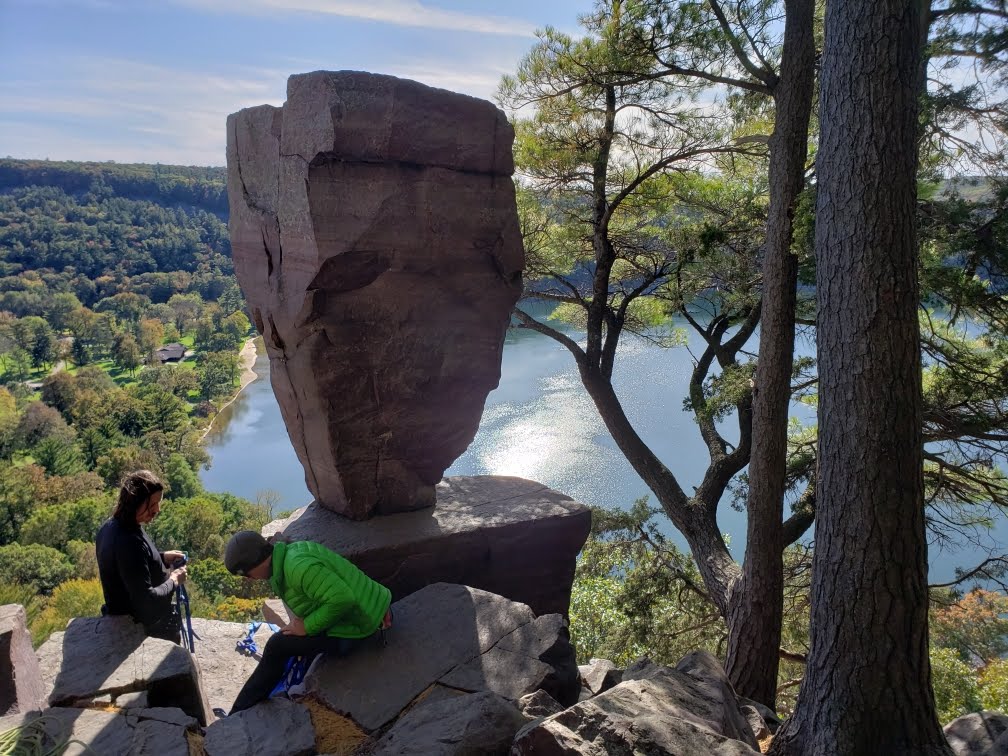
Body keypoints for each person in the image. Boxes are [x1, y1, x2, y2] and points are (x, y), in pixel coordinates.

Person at [222, 530, 393, 714]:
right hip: (367, 610)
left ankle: (238, 713)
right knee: (288, 639)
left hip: (360, 627)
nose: (249, 579)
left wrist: (307, 626)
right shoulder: (291, 553)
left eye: (246, 574)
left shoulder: (298, 568)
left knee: (277, 646)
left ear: (256, 563)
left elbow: (343, 599)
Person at [96, 470, 188, 643]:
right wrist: (174, 580)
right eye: (152, 504)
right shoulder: (129, 541)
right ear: (134, 502)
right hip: (145, 625)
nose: (157, 510)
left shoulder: (112, 527)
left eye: (158, 503)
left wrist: (161, 557)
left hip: (124, 613)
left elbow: (129, 569)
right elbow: (147, 602)